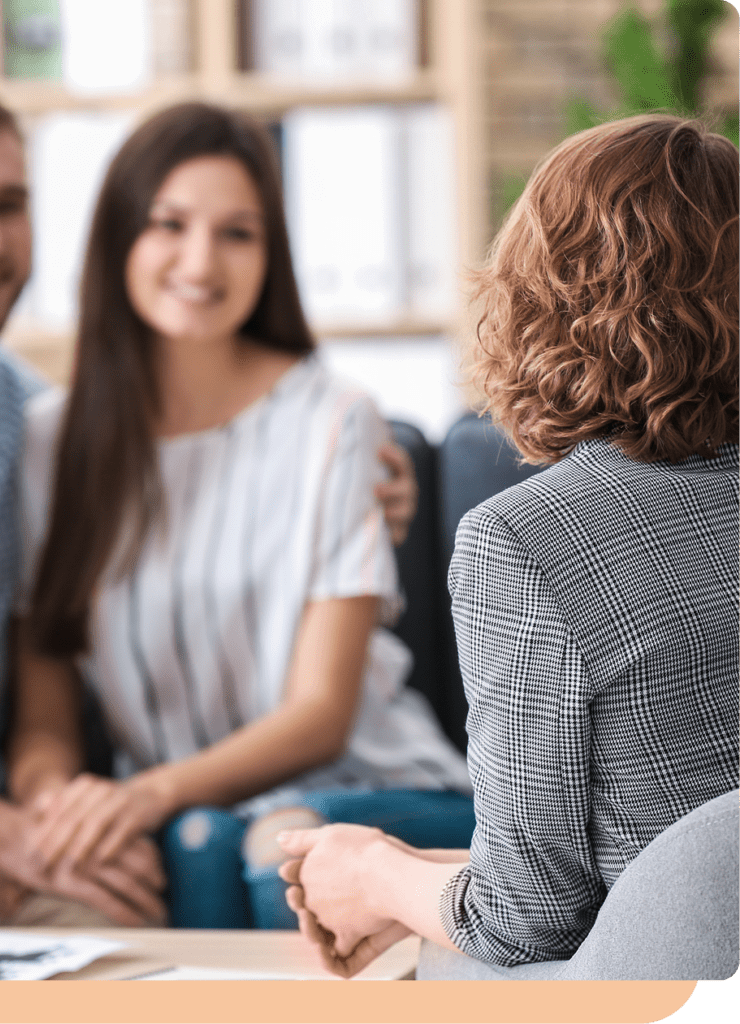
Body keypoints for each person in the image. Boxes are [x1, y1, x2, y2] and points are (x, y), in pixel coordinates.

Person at [0, 82, 417, 930]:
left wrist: (380, 493)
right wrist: (32, 818)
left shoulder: (21, 418)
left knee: (110, 907)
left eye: (9, 204)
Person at [277, 113, 739, 975]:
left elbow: (525, 927)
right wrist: (422, 884)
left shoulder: (525, 543)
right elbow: (600, 879)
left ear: (540, 300)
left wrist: (372, 875)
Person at [10, 101, 475, 931]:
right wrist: (61, 810)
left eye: (238, 232)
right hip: (189, 813)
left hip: (368, 783)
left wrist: (141, 793)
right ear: (120, 237)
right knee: (193, 840)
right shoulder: (50, 442)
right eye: (170, 223)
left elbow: (320, 715)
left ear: (271, 256)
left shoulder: (333, 420)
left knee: (275, 842)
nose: (201, 259)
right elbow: (42, 714)